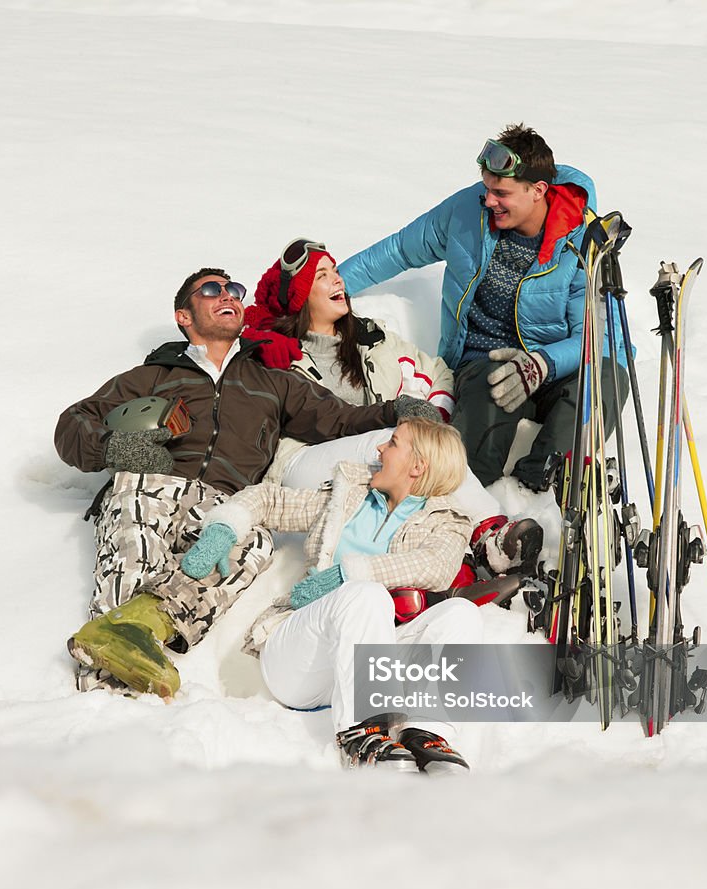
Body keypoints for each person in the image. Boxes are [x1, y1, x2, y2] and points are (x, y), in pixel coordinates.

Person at [56, 268, 436, 699]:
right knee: (138, 521)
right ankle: (105, 687)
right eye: (212, 290)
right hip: (152, 482)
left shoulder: (272, 382)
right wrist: (118, 449)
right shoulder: (151, 377)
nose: (229, 296)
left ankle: (137, 629)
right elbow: (72, 424)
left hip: (220, 502)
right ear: (184, 316)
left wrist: (395, 411)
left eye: (234, 289)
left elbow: (340, 420)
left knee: (255, 542)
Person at [181, 417, 484, 773]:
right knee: (365, 596)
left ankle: (425, 732)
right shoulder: (351, 494)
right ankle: (362, 732)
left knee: (461, 614)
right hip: (298, 658)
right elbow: (272, 499)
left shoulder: (448, 521)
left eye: (394, 443)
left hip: (363, 661)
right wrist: (226, 524)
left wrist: (350, 572)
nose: (380, 448)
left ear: (417, 466)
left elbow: (435, 566)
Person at [338, 123, 629, 492]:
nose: (489, 200)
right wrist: (327, 287)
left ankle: (541, 486)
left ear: (538, 190)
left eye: (501, 193)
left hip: (553, 366)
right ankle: (466, 505)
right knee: (482, 420)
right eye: (487, 189)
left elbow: (595, 338)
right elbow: (397, 250)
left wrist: (541, 364)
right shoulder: (466, 213)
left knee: (607, 376)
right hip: (483, 360)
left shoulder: (582, 240)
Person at [242, 238, 544, 579]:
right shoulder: (276, 354)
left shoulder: (371, 339)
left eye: (336, 270)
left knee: (410, 457)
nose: (338, 280)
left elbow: (438, 373)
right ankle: (489, 530)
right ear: (300, 296)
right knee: (402, 444)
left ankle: (462, 562)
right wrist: (415, 433)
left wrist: (436, 415)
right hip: (303, 464)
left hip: (377, 454)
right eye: (322, 276)